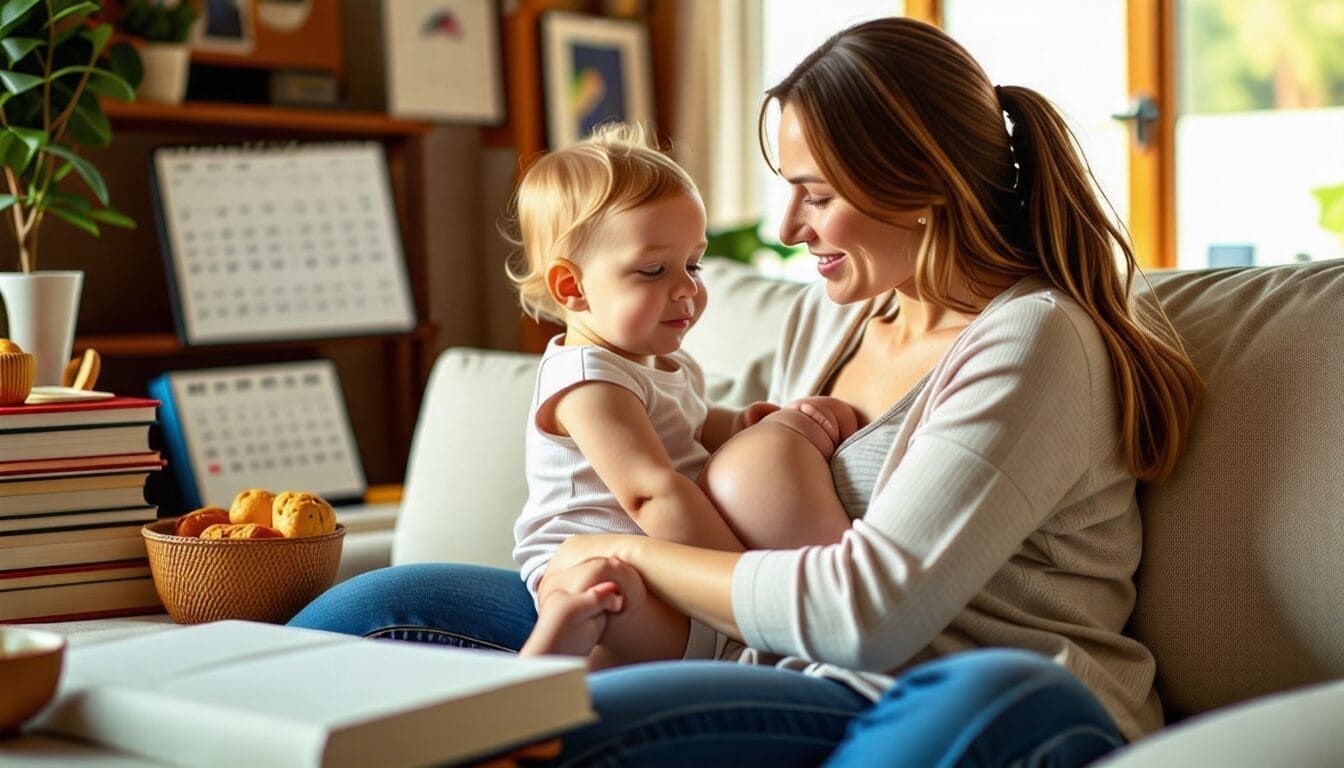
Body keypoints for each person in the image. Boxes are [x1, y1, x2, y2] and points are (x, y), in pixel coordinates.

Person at [290, 17, 1201, 766]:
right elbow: (728, 478)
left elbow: (866, 615)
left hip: (928, 689)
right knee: (391, 606)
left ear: (916, 185)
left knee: (994, 695)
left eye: (812, 192)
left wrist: (628, 555)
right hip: (773, 660)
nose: (786, 225)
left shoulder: (1032, 341)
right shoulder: (838, 319)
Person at [502, 123, 860, 667]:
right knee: (600, 587)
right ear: (571, 287)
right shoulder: (586, 380)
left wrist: (742, 422)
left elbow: (687, 423)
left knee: (627, 608)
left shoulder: (662, 360)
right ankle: (545, 657)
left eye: (694, 264)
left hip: (666, 573)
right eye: (654, 270)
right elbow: (651, 492)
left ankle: (579, 673)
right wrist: (746, 579)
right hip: (583, 560)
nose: (688, 288)